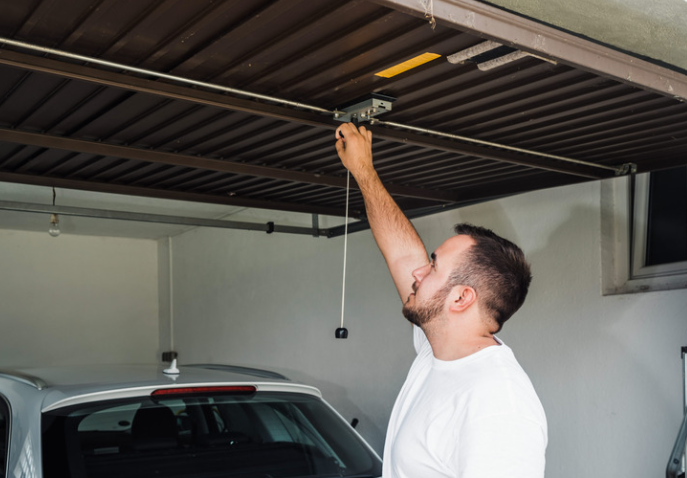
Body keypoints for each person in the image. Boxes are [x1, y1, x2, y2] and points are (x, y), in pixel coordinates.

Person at [334, 123, 547, 478]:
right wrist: (363, 172)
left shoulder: (498, 403)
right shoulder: (439, 349)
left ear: (462, 298)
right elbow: (403, 257)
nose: (419, 273)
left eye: (433, 266)